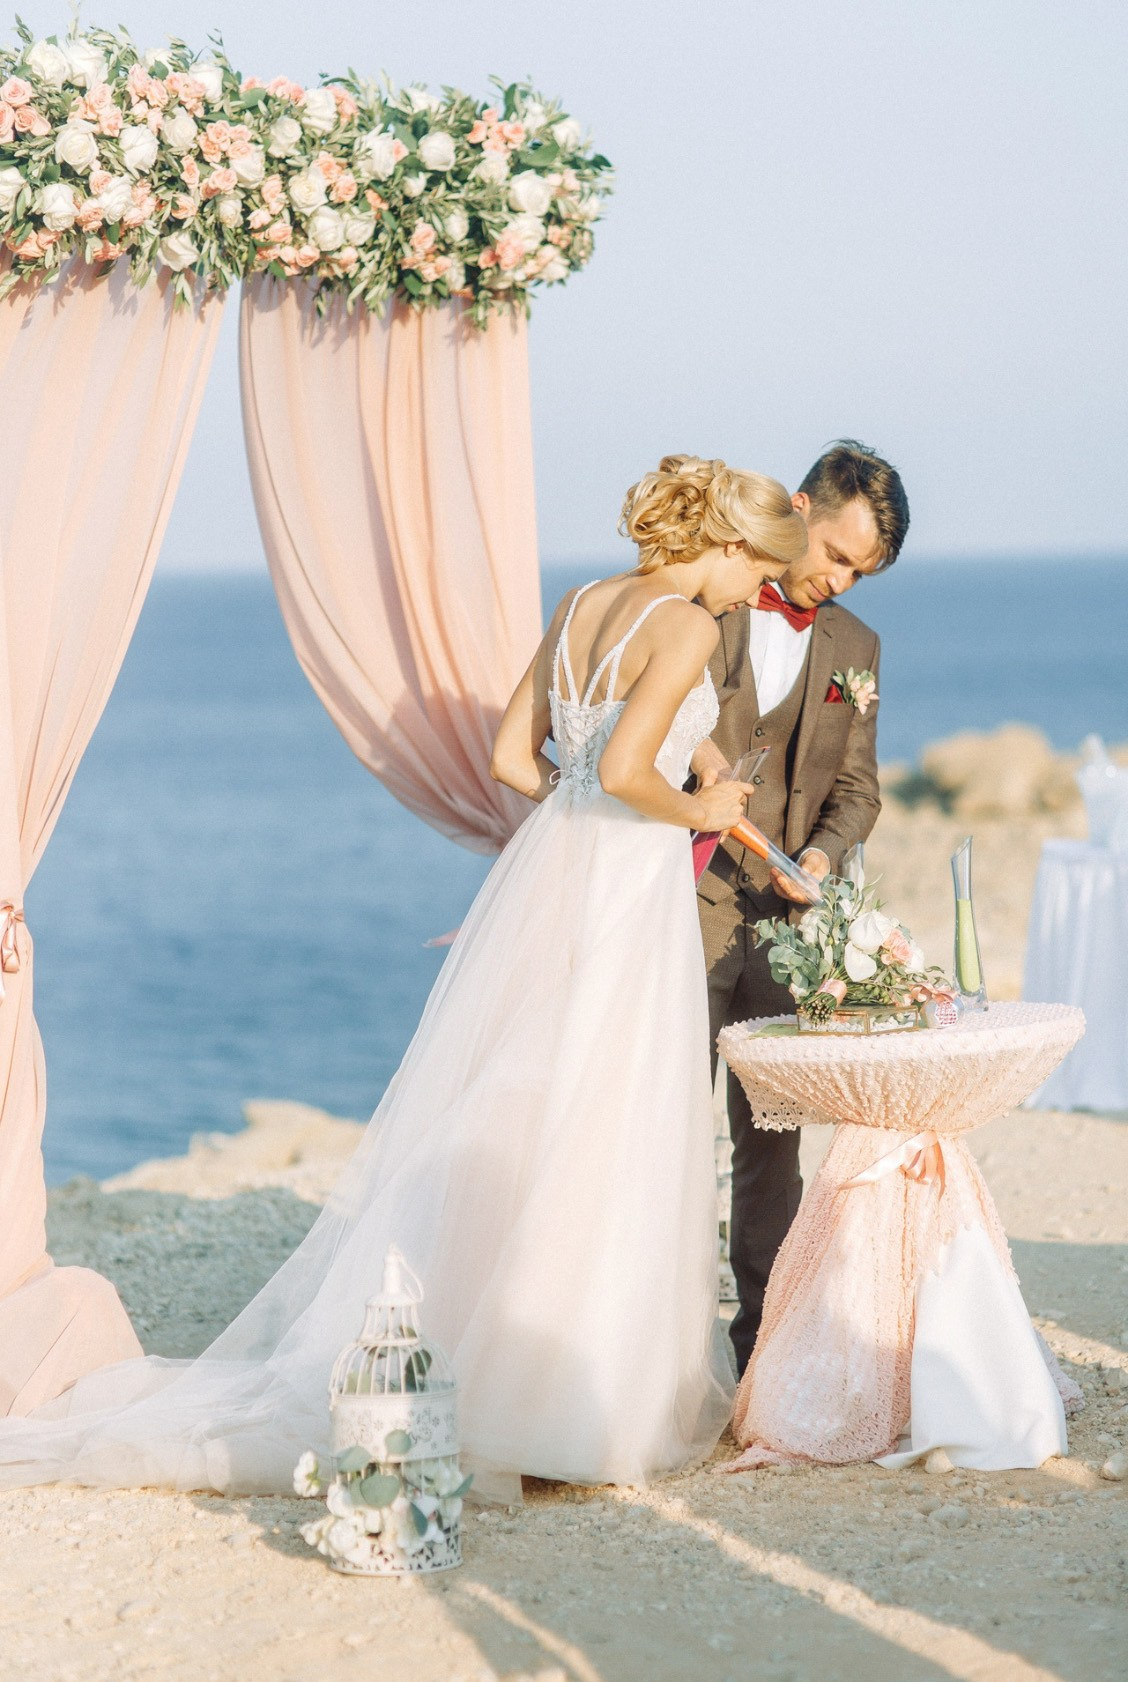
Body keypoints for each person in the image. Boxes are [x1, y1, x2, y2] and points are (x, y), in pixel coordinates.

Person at [0, 455, 807, 1503]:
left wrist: (636, 774)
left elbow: (521, 760)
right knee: (606, 1115)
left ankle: (495, 1354)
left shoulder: (583, 603)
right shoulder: (689, 625)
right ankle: (570, 1398)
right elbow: (621, 774)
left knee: (525, 1100)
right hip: (622, 889)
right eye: (762, 572)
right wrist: (699, 807)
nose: (759, 594)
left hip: (555, 867)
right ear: (731, 544)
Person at [694, 440, 910, 1377]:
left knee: (768, 1150)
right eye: (836, 555)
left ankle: (762, 1359)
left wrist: (818, 854)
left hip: (783, 931)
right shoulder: (706, 605)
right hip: (683, 905)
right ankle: (647, 1355)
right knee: (657, 1125)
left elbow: (856, 790)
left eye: (861, 571)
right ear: (798, 508)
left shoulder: (857, 650)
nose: (840, 579)